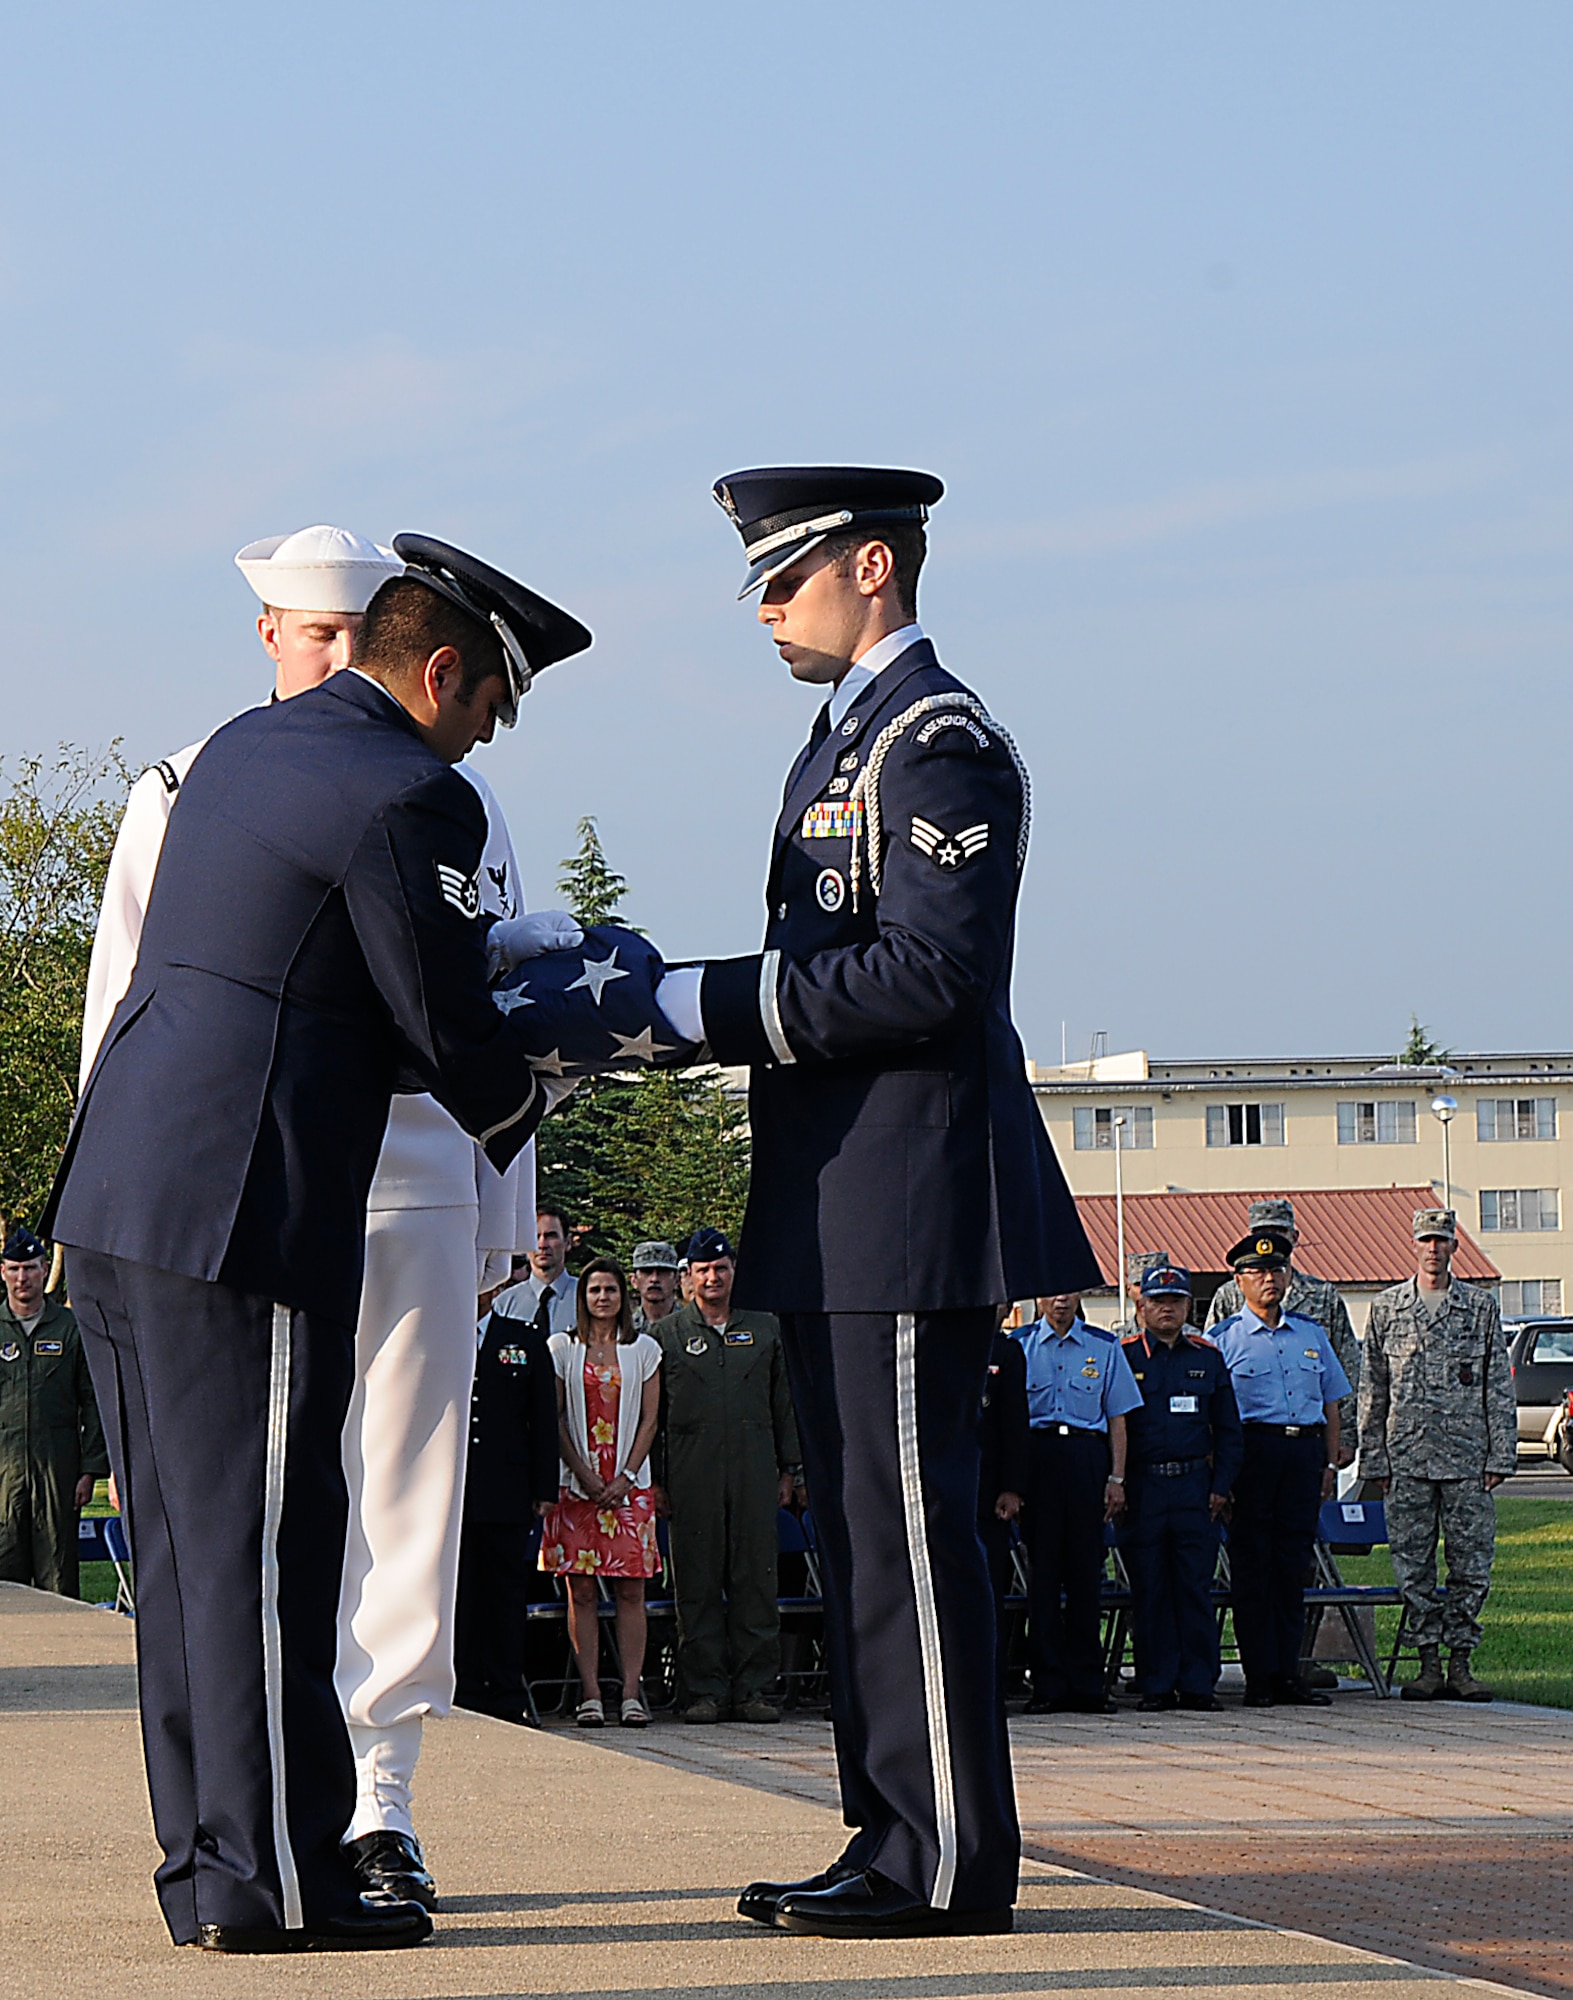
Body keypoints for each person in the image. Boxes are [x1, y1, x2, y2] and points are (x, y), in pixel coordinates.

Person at [43, 535, 611, 1954]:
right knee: (275, 1561)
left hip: (123, 1203)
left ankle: (214, 1872)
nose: (484, 738)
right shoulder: (409, 794)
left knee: (184, 1565)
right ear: (435, 672)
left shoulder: (231, 757)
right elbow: (448, 1032)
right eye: (487, 703)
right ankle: (282, 1882)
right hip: (252, 1206)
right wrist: (593, 1043)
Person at [658, 464, 1100, 1939]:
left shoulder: (937, 741)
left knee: (910, 1531)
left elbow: (931, 973)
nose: (766, 610)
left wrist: (701, 1005)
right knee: (861, 1531)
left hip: (914, 1195)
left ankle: (948, 1861)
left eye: (782, 580)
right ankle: (890, 1833)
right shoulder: (840, 743)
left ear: (868, 565)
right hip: (847, 1196)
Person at [1358, 1208, 1516, 1702]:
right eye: (1426, 1240)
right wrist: (1374, 1459)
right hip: (1407, 1459)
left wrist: (1500, 1455)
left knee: (1472, 1564)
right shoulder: (1388, 1308)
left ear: (1454, 1247)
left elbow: (1497, 1384)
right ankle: (1426, 1662)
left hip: (1467, 1460)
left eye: (1441, 1240)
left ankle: (1461, 1663)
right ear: (1414, 1244)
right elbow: (1373, 1388)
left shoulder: (1479, 1308)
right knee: (1413, 1565)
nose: (1433, 1249)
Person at [651, 1227, 800, 1724]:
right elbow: (653, 1417)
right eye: (702, 1271)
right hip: (691, 1473)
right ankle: (702, 1692)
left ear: (734, 1271)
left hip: (755, 1469)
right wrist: (656, 1480)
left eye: (721, 1268)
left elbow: (784, 1403)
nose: (712, 1278)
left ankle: (755, 1689)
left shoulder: (765, 1328)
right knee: (695, 1583)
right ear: (687, 1278)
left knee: (756, 1580)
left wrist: (789, 1469)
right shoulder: (667, 1335)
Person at [1210, 1229, 1351, 1708]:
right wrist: (1222, 1479)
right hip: (1253, 1455)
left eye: (1277, 1270)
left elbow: (1331, 1402)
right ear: (1239, 1281)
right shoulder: (1224, 1340)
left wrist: (1329, 1465)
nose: (1269, 1279)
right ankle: (1259, 1678)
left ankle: (1289, 1672)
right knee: (1253, 1570)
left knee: (1293, 1568)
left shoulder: (1311, 1334)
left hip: (1302, 1455)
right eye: (1257, 1272)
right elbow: (1217, 1417)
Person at [538, 1258, 662, 1728]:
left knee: (632, 1591)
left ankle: (631, 1693)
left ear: (622, 1296)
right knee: (582, 1592)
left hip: (628, 1486)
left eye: (610, 1289)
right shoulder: (562, 1348)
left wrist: (626, 1476)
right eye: (594, 1290)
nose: (603, 1297)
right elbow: (556, 1418)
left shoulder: (643, 1349)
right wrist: (582, 1473)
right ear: (583, 1297)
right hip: (578, 1486)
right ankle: (590, 1693)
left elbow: (651, 1419)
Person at [1119, 1264, 1241, 1712]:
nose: (1166, 1309)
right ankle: (1155, 1683)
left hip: (1194, 1488)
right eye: (1157, 1301)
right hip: (1144, 1489)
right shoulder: (1124, 1356)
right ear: (1142, 1306)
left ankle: (1197, 1684)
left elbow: (1228, 1430)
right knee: (1149, 1590)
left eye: (1175, 1301)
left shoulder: (1206, 1357)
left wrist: (1221, 1486)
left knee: (1194, 1588)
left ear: (1190, 1306)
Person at [1012, 1293, 1141, 1715]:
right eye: (1052, 1292)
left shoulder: (1104, 1348)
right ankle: (1047, 1684)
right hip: (1037, 1459)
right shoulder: (1021, 1345)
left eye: (1069, 1291)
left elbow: (1118, 1417)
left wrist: (1117, 1478)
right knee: (1044, 1577)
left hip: (1086, 1458)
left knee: (1087, 1576)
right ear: (1038, 1298)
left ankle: (1089, 1684)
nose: (1061, 1300)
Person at [453, 1287, 561, 1723]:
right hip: (454, 1487)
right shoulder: (443, 1334)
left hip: (507, 1486)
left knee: (504, 1594)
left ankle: (504, 1691)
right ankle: (462, 1687)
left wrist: (544, 1487)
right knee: (459, 1594)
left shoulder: (522, 1338)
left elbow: (542, 1416)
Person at [0, 1226, 109, 1597]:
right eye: (14, 1269)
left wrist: (90, 1470)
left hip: (57, 1474)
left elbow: (92, 1401)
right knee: (5, 1580)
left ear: (45, 1269)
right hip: (4, 1475)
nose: (22, 1277)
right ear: (2, 1273)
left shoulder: (70, 1329)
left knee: (58, 1576)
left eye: (29, 1268)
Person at [1206, 1198, 1359, 1456]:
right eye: (1261, 1233)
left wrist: (1345, 1435)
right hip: (1250, 1441)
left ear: (1294, 1236)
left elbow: (1347, 1367)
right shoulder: (1229, 1295)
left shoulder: (1323, 1295)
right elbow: (1212, 1371)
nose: (1269, 1238)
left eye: (1278, 1232)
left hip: (1311, 1438)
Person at [977, 1314, 1029, 1699]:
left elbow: (1014, 1423)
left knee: (989, 1587)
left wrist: (1012, 1487)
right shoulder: (937, 1343)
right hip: (944, 1490)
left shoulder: (1006, 1353)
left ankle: (989, 1681)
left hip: (989, 1491)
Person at [491, 1206, 580, 1339]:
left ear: (567, 1242)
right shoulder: (504, 1305)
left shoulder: (585, 1298)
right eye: (535, 1236)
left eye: (551, 1236)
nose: (542, 1244)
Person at [630, 1241, 681, 1332]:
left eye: (662, 1272)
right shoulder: (625, 1329)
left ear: (677, 1280)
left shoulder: (692, 1327)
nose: (654, 1279)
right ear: (634, 1280)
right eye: (647, 1272)